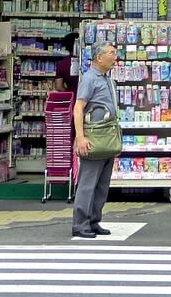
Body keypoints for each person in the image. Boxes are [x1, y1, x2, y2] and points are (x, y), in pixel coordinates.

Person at [72, 42, 120, 238]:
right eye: (111, 53)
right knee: (88, 182)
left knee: (101, 184)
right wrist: (80, 138)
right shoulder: (90, 79)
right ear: (99, 57)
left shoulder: (106, 79)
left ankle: (94, 220)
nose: (115, 56)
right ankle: (80, 224)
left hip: (107, 137)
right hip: (94, 137)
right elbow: (78, 108)